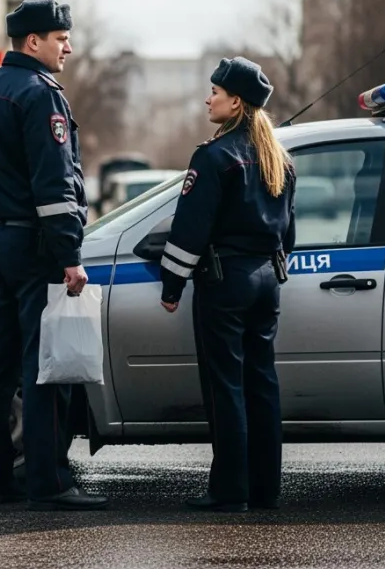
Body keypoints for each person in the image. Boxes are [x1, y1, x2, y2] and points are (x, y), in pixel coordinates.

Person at [0, 0, 107, 512]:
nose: (67, 45)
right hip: (37, 245)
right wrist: (69, 253)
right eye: (60, 38)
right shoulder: (40, 96)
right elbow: (55, 184)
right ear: (33, 42)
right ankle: (49, 484)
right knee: (44, 366)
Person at [158, 56, 296, 513]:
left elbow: (190, 229)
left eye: (214, 92)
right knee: (262, 382)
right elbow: (287, 233)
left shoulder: (214, 157)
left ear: (235, 102)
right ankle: (265, 488)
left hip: (225, 283)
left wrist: (172, 285)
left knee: (226, 387)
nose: (208, 98)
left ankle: (229, 491)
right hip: (265, 282)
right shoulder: (280, 160)